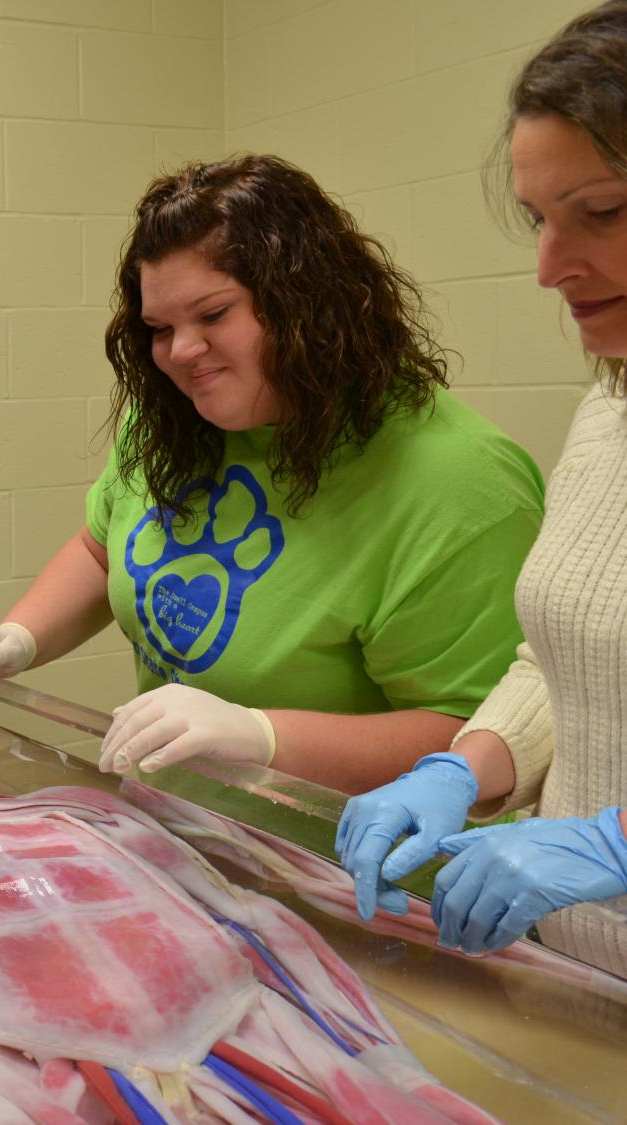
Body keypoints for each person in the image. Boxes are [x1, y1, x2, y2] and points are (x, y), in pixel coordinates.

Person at [0, 154, 545, 798]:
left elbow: (480, 736)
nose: (183, 352)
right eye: (161, 329)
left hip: (354, 870)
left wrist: (266, 738)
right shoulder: (177, 418)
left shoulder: (458, 482)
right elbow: (101, 548)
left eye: (214, 315)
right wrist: (19, 637)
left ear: (307, 302)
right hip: (188, 829)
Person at [337, 1, 627, 974]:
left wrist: (613, 845)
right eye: (539, 220)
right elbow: (566, 660)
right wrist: (467, 765)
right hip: (586, 976)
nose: (550, 267)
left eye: (604, 213)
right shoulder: (608, 409)